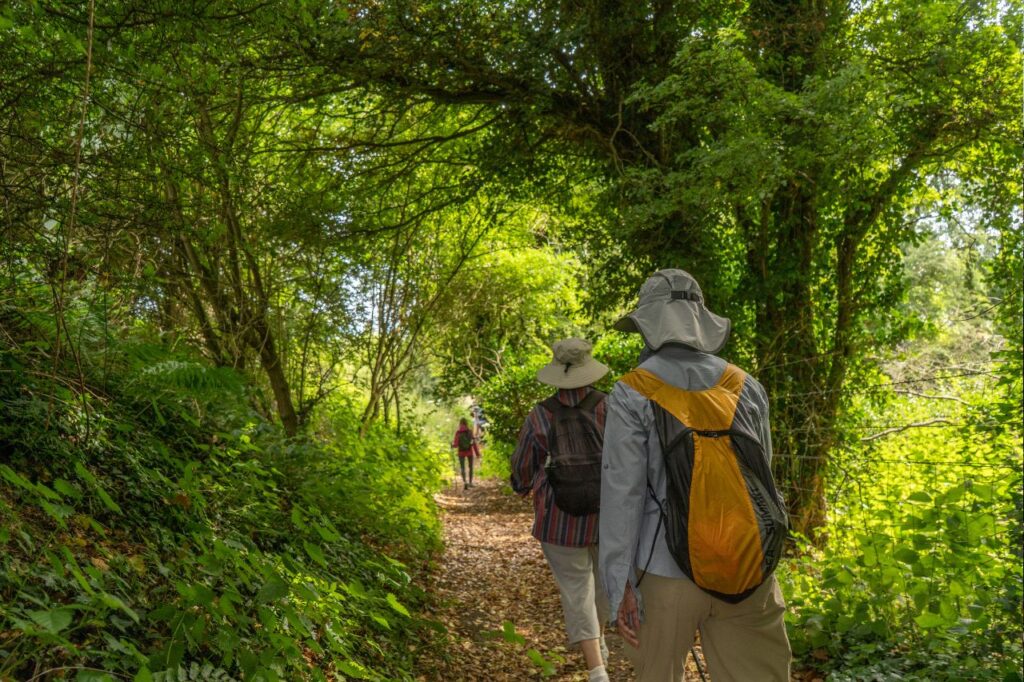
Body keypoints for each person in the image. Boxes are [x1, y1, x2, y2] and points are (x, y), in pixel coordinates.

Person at [599, 269, 792, 682]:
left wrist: (619, 587)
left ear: (649, 326)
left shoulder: (633, 391)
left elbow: (622, 496)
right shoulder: (744, 385)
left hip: (665, 573)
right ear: (700, 319)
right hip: (747, 568)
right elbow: (763, 479)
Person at [510, 338, 613, 682]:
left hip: (558, 519)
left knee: (575, 588)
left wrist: (523, 486)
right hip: (606, 515)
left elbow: (524, 465)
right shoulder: (609, 407)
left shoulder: (541, 414)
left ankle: (597, 669)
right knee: (602, 586)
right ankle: (598, 643)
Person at [452, 417, 478, 489]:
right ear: (466, 423)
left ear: (460, 423)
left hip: (461, 452)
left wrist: (452, 445)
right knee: (471, 467)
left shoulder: (458, 432)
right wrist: (477, 453)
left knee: (462, 468)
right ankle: (470, 482)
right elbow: (473, 443)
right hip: (469, 451)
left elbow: (456, 445)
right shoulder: (469, 431)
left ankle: (465, 482)